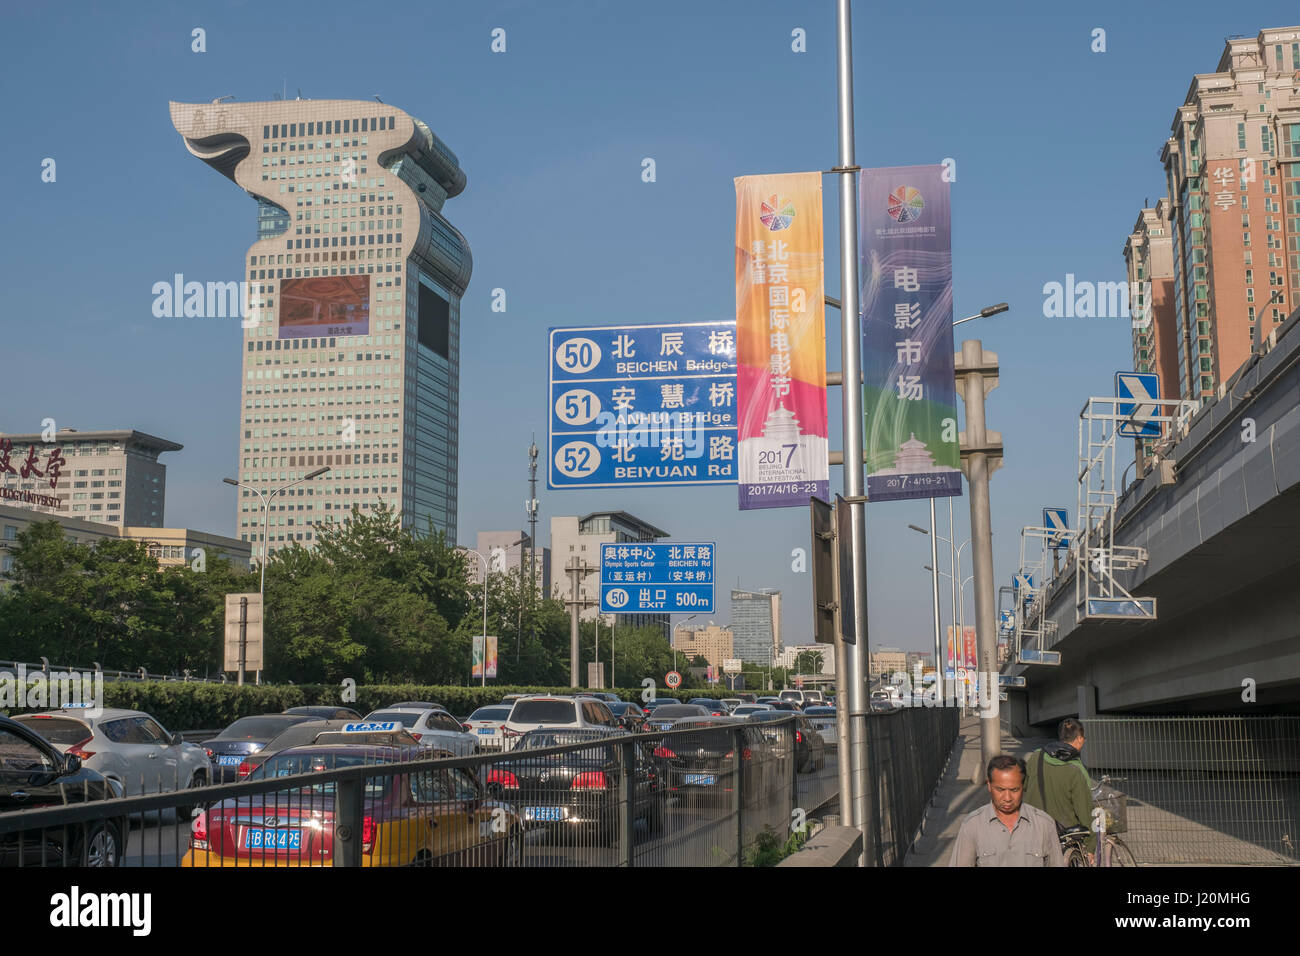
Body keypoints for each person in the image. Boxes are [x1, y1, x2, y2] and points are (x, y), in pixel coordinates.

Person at [949, 755, 1065, 866]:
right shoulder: (972, 825)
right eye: (1000, 790)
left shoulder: (1044, 824)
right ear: (989, 785)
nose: (1007, 798)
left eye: (1014, 790)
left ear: (1023, 786)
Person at [1024, 717, 1095, 860]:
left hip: (1032, 824)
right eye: (1084, 738)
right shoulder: (1077, 769)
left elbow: (1024, 785)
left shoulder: (1036, 756)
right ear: (1079, 738)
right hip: (1063, 831)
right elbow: (1084, 810)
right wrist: (1090, 846)